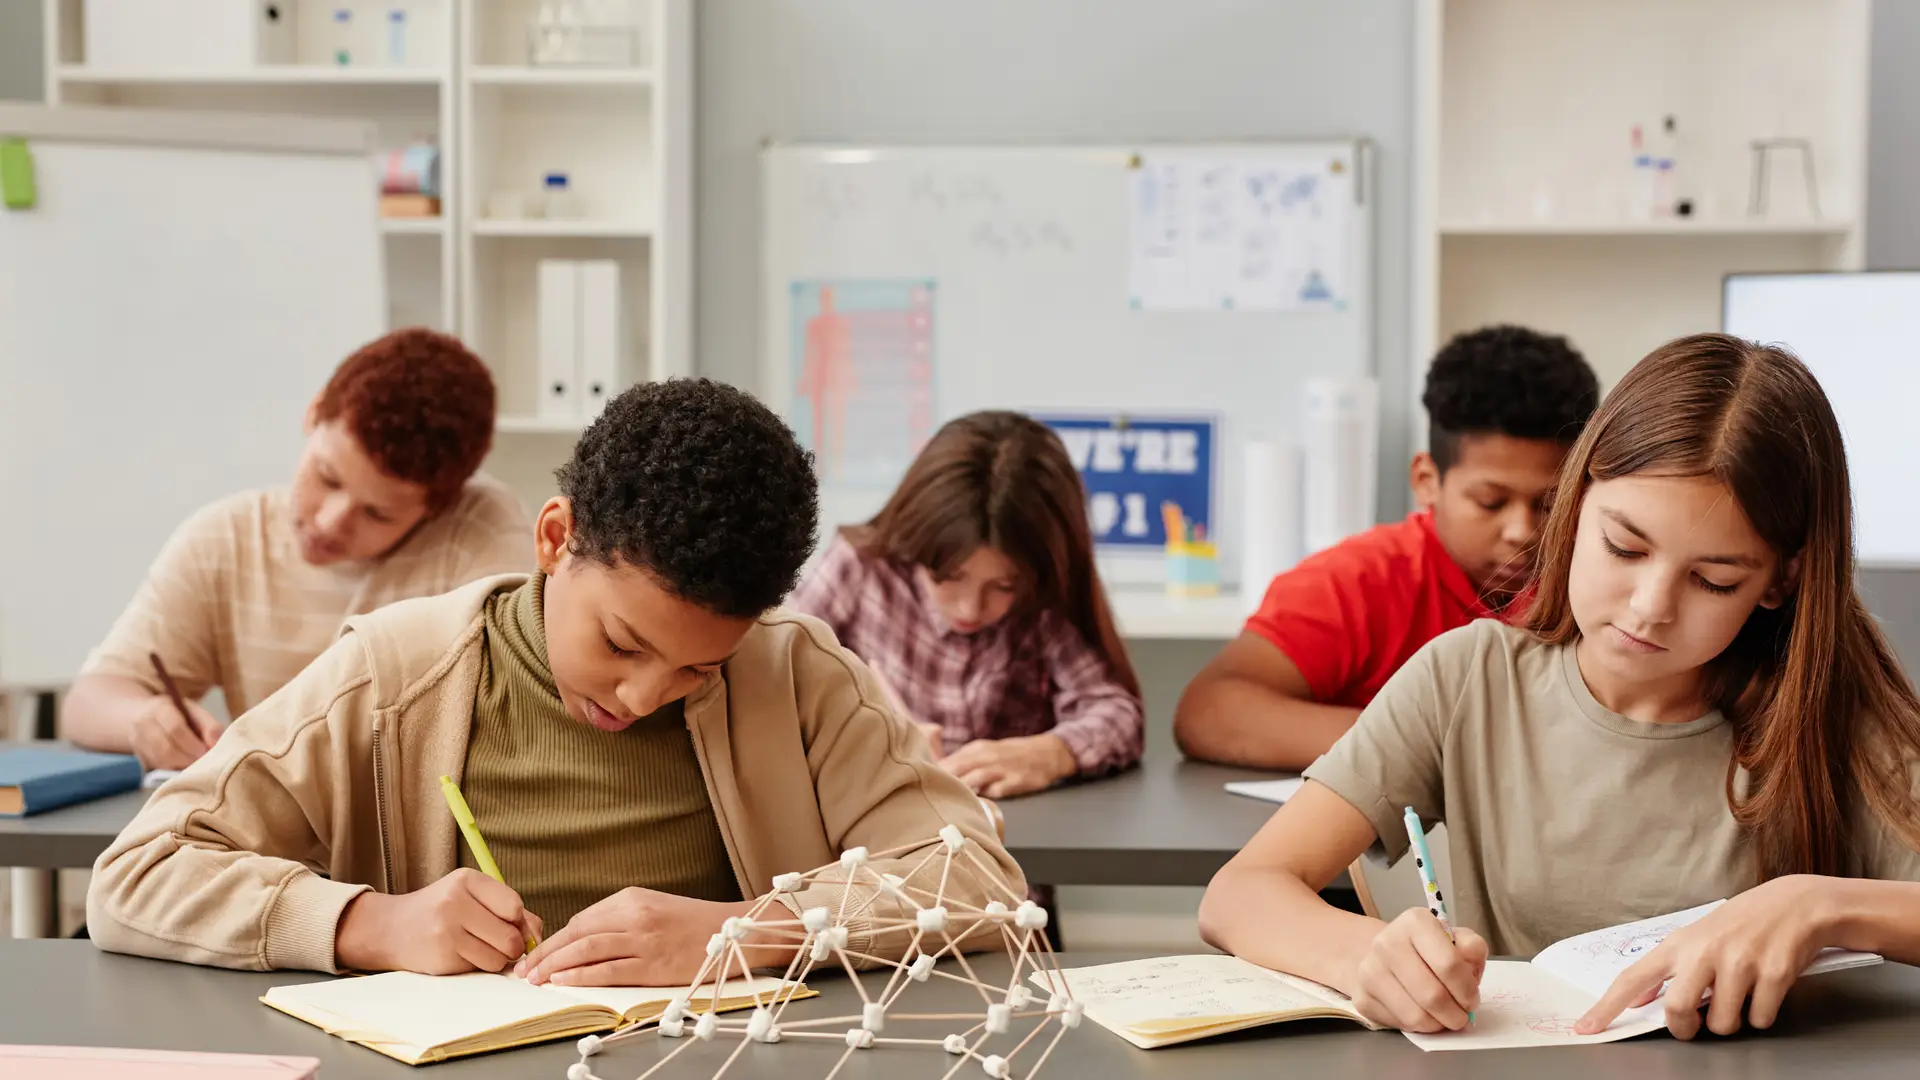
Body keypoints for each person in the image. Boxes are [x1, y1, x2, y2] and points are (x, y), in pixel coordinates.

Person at [87, 378, 1025, 985]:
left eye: (697, 667)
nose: (642, 696)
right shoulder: (397, 669)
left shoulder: (795, 671)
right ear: (552, 540)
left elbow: (979, 879)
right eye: (620, 643)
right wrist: (366, 924)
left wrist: (750, 931)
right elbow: (134, 876)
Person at [1196, 334, 1920, 1041]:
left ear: (1780, 581)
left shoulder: (1832, 709)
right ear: (1576, 504)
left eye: (1714, 580)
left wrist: (1821, 905)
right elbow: (1240, 894)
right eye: (1623, 547)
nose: (1649, 606)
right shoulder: (1466, 677)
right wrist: (1366, 957)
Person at [63, 328, 531, 771]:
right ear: (313, 413)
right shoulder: (226, 539)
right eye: (327, 477)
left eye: (377, 514)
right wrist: (144, 719)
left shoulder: (480, 532)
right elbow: (87, 702)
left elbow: (516, 716)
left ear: (435, 508)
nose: (330, 522)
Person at [1175, 325, 1599, 770]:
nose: (1522, 531)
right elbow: (1209, 712)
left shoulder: (1600, 583)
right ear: (1426, 481)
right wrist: (1426, 744)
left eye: (1551, 504)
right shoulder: (1355, 582)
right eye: (1490, 502)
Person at [788, 410, 1144, 801]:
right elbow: (766, 676)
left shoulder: (1043, 603)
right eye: (948, 576)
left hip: (1014, 835)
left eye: (1004, 586)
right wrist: (867, 736)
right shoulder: (861, 567)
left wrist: (1052, 753)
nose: (970, 609)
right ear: (916, 542)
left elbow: (1118, 715)